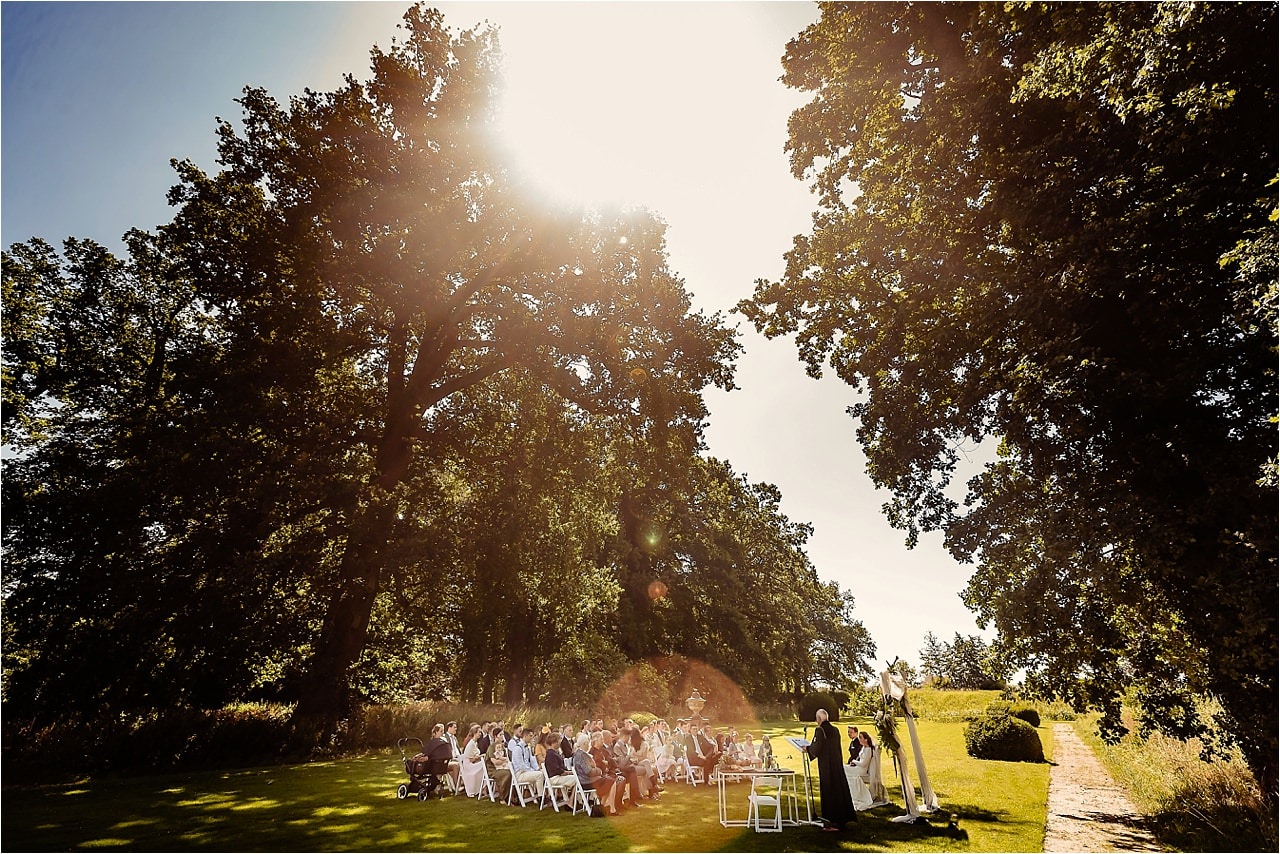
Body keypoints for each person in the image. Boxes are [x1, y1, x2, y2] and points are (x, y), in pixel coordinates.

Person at [806, 709, 858, 832]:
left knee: (828, 791)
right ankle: (842, 819)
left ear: (819, 719)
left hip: (826, 766)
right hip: (836, 764)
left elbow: (817, 748)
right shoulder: (835, 730)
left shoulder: (820, 730)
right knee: (839, 790)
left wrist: (807, 749)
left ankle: (831, 822)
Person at [574, 732, 620, 815]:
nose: (589, 745)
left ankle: (600, 807)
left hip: (586, 780)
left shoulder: (579, 754)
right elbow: (589, 772)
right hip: (586, 781)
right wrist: (598, 770)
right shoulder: (582, 755)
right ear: (584, 744)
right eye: (588, 744)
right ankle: (612, 810)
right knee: (612, 782)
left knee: (610, 782)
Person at [510, 726, 545, 801]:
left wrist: (538, 769)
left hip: (527, 772)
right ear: (525, 736)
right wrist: (534, 771)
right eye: (530, 736)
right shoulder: (517, 748)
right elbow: (521, 766)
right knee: (539, 775)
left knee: (544, 772)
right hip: (520, 774)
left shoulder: (528, 748)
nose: (532, 738)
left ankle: (548, 795)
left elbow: (532, 761)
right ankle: (541, 797)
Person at [854, 730, 889, 806]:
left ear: (866, 739)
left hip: (862, 769)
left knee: (850, 775)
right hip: (859, 767)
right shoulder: (864, 747)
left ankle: (857, 796)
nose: (859, 739)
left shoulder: (868, 750)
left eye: (860, 737)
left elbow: (863, 764)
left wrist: (854, 762)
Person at [543, 731, 577, 808]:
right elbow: (557, 770)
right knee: (577, 780)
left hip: (558, 776)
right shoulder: (551, 754)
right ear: (554, 742)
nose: (559, 743)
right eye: (558, 741)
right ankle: (571, 802)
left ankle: (574, 800)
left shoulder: (555, 753)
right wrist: (569, 773)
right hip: (554, 778)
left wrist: (569, 772)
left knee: (577, 778)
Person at [485, 724, 513, 803]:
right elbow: (494, 761)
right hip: (493, 769)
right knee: (507, 774)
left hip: (502, 766)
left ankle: (513, 797)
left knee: (513, 772)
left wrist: (505, 761)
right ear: (495, 736)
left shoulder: (502, 746)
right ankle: (503, 797)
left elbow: (507, 758)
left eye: (503, 734)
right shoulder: (492, 747)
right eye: (500, 735)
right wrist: (504, 761)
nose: (502, 736)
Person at [459, 723, 489, 796]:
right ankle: (483, 789)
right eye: (479, 732)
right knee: (484, 765)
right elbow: (471, 760)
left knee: (485, 764)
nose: (480, 734)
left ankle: (484, 789)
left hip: (472, 763)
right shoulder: (471, 743)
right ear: (475, 733)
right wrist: (481, 756)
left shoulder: (475, 743)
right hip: (468, 765)